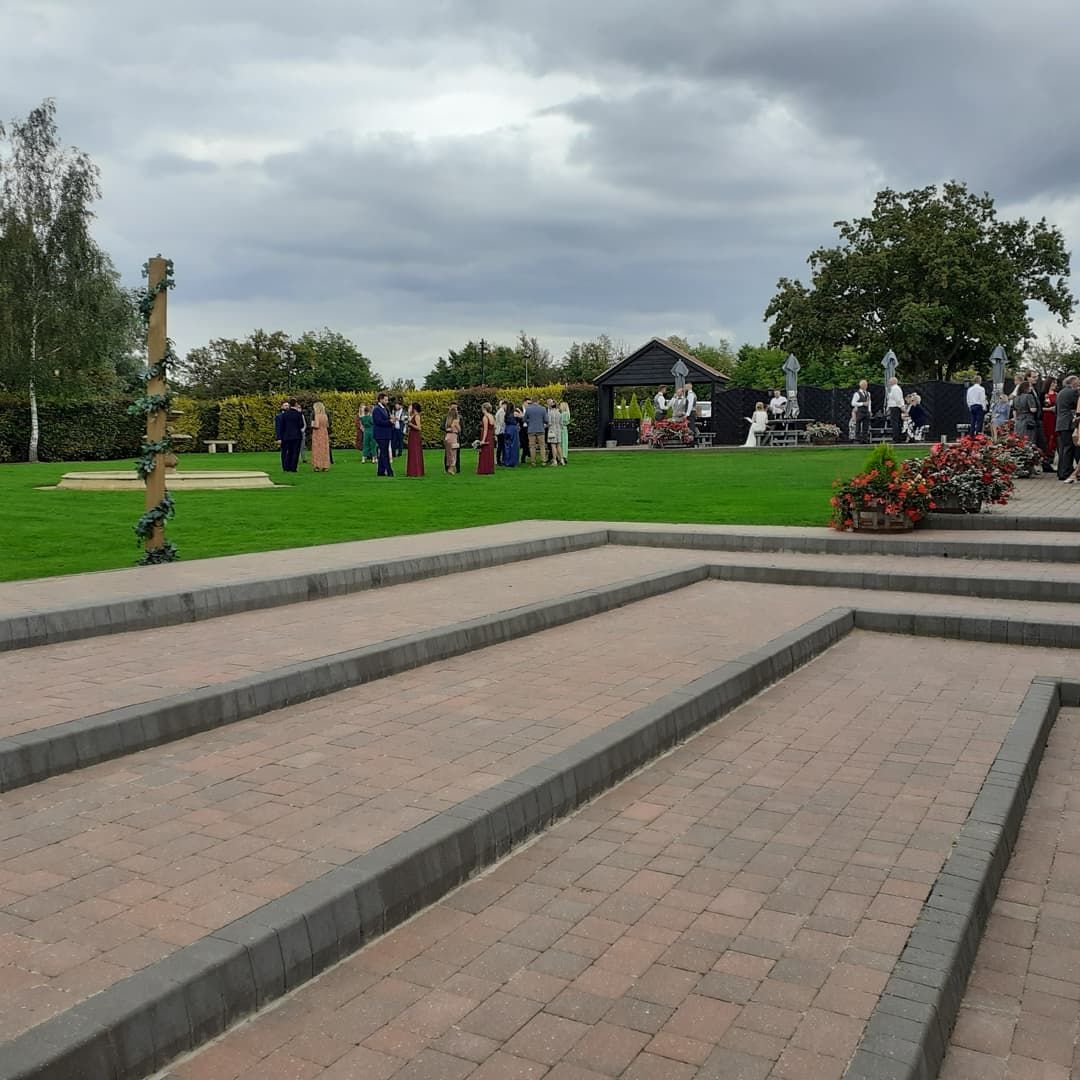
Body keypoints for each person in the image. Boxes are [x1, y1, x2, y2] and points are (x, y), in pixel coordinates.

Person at [1056, 375, 1080, 481]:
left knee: (1063, 448)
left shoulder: (1061, 392)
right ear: (1072, 382)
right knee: (1069, 448)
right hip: (1068, 422)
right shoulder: (1073, 392)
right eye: (1078, 381)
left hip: (1061, 422)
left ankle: (1061, 471)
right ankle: (1066, 472)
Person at [372, 392, 394, 477]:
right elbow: (378, 421)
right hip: (380, 434)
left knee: (382, 453)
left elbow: (387, 419)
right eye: (385, 400)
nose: (387, 401)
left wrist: (391, 420)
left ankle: (380, 471)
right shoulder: (376, 409)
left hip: (386, 433)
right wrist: (389, 422)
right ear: (380, 400)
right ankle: (389, 471)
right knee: (384, 453)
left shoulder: (385, 409)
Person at [274, 401, 299, 472]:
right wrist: (279, 438)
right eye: (285, 405)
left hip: (291, 437)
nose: (287, 407)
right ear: (281, 407)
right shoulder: (279, 416)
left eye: (288, 405)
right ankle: (285, 467)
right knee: (284, 452)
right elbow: (278, 428)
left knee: (291, 452)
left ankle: (290, 466)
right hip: (283, 437)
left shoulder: (292, 415)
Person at [523, 397, 548, 466]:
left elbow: (524, 419)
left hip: (531, 430)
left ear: (532, 401)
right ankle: (543, 461)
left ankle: (533, 462)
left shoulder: (528, 409)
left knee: (532, 446)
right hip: (540, 429)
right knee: (542, 446)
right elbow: (546, 420)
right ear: (538, 401)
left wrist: (530, 421)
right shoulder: (543, 409)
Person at [1042, 377, 1058, 471]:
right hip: (1046, 418)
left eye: (1055, 383)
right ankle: (1046, 461)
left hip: (1054, 418)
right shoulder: (1044, 395)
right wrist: (1049, 409)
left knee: (1054, 439)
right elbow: (1040, 408)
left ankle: (1051, 459)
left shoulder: (1057, 394)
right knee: (1047, 438)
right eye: (1053, 383)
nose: (1055, 385)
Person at [309, 401, 331, 471]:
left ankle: (317, 466)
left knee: (317, 449)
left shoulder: (316, 415)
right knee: (325, 449)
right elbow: (327, 425)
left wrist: (312, 424)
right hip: (324, 433)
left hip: (317, 433)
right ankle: (325, 466)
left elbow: (316, 425)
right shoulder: (325, 415)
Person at [406, 402, 424, 477]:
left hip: (415, 436)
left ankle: (416, 471)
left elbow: (419, 427)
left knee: (415, 452)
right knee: (412, 452)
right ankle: (412, 470)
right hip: (412, 435)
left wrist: (411, 424)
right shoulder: (412, 416)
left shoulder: (417, 416)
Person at [477, 402, 495, 475]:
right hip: (491, 436)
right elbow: (494, 427)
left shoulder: (485, 417)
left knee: (484, 452)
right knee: (490, 453)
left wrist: (483, 440)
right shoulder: (492, 416)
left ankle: (484, 469)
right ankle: (490, 469)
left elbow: (485, 429)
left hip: (487, 436)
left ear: (484, 408)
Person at [885, 377, 904, 443]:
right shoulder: (896, 388)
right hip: (896, 407)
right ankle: (898, 437)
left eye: (890, 381)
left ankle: (896, 438)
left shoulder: (895, 388)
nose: (889, 382)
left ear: (893, 381)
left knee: (895, 423)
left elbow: (897, 398)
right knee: (897, 423)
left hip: (895, 407)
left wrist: (901, 406)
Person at [545, 398, 564, 465]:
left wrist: (545, 426)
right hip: (558, 430)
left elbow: (549, 423)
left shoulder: (550, 413)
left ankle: (555, 460)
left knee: (553, 446)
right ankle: (562, 460)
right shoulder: (559, 412)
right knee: (559, 445)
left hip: (552, 430)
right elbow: (561, 423)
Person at [443, 404, 460, 474]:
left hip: (447, 437)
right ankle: (451, 468)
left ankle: (448, 467)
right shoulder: (455, 421)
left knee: (448, 453)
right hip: (453, 437)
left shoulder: (447, 421)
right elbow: (459, 429)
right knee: (453, 453)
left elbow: (447, 428)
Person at [503, 402, 520, 467]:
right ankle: (513, 461)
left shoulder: (506, 414)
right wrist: (518, 410)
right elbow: (522, 416)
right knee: (514, 446)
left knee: (507, 445)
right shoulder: (515, 413)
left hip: (507, 429)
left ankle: (506, 461)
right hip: (513, 429)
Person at [494, 401, 506, 466]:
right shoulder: (501, 412)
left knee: (500, 446)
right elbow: (502, 422)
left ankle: (498, 460)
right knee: (500, 446)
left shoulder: (499, 411)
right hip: (501, 431)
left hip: (499, 431)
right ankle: (498, 460)